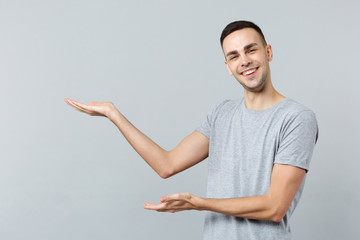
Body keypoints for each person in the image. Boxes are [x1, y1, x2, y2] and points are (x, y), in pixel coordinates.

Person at [65, 20, 318, 240]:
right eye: (234, 56)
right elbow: (167, 164)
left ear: (268, 52)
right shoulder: (222, 114)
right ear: (228, 67)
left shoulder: (296, 119)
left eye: (251, 50)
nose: (245, 61)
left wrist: (199, 203)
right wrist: (114, 115)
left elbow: (275, 207)